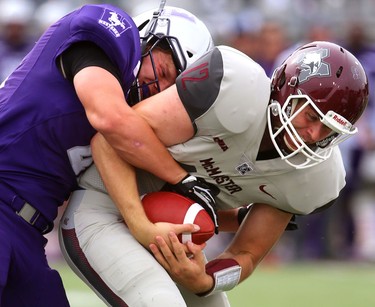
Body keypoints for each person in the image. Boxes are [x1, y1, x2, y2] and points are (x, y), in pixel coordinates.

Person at [59, 40, 369, 306]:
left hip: (175, 242)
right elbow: (110, 143)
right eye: (312, 115)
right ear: (284, 91)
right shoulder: (233, 89)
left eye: (329, 130)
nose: (314, 134)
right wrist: (141, 225)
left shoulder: (317, 179)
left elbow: (246, 254)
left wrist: (205, 281)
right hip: (104, 208)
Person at [0, 2, 213, 306]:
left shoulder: (139, 124)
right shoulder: (109, 31)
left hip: (29, 230)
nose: (159, 87)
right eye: (164, 70)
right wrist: (182, 178)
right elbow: (109, 119)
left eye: (171, 88)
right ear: (149, 38)